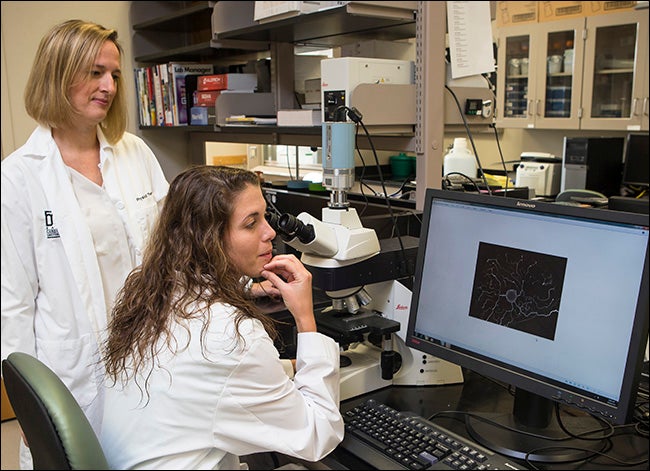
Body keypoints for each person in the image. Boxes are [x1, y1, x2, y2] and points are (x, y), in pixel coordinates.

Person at [1, 19, 169, 468]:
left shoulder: (135, 152)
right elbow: (13, 305)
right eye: (95, 72)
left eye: (113, 74)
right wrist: (28, 408)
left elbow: (175, 249)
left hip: (148, 358)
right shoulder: (19, 177)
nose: (109, 86)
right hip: (72, 371)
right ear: (58, 74)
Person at [99, 165, 344, 470]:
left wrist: (287, 367)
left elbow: (202, 376)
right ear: (208, 239)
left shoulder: (155, 291)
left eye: (265, 217)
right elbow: (319, 435)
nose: (269, 232)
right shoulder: (231, 335)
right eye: (251, 223)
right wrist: (305, 320)